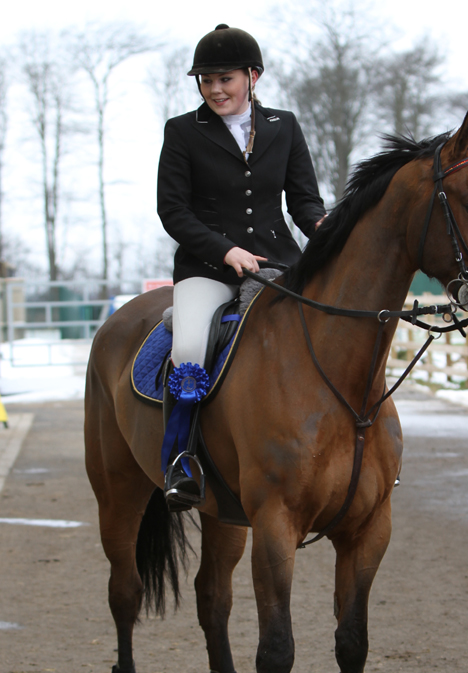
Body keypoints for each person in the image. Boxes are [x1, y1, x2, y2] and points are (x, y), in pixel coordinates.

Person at [157, 24, 326, 511]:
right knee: (189, 349)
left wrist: (324, 227)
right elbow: (174, 211)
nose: (214, 89)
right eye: (205, 80)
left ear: (253, 76)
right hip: (206, 269)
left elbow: (304, 201)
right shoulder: (183, 132)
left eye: (225, 79)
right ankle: (181, 462)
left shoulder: (284, 126)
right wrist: (223, 250)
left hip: (278, 264)